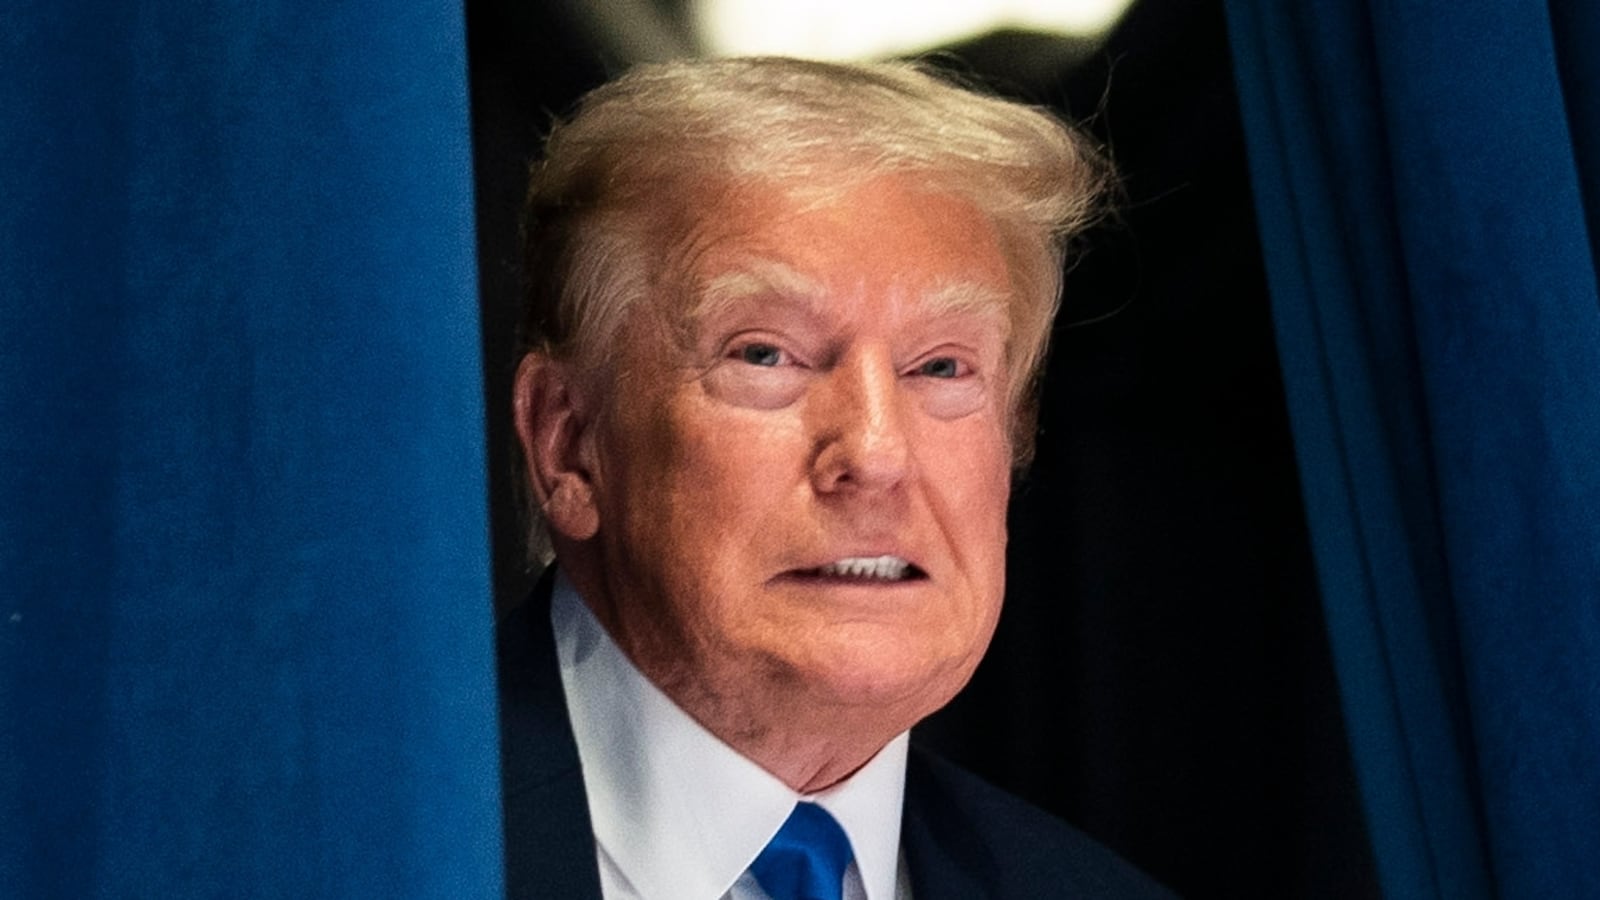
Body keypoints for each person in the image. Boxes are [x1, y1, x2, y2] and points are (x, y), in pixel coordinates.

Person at [498, 56, 1174, 899]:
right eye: (765, 354)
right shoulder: (359, 836)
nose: (877, 454)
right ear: (568, 443)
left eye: (940, 367)